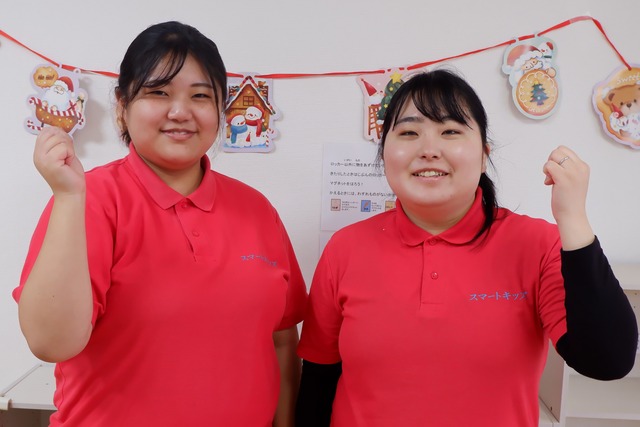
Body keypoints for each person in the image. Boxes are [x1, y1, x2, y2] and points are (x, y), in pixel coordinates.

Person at [295, 69, 638, 427]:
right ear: (384, 154)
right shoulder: (345, 247)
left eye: (450, 131)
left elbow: (607, 361)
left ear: (484, 154)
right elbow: (319, 376)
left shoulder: (538, 243)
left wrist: (573, 219)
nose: (429, 150)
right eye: (409, 132)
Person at [14, 21, 307, 427]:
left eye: (200, 96)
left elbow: (282, 338)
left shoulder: (257, 210)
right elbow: (50, 343)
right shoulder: (87, 199)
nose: (180, 112)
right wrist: (67, 197)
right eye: (158, 92)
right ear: (122, 104)